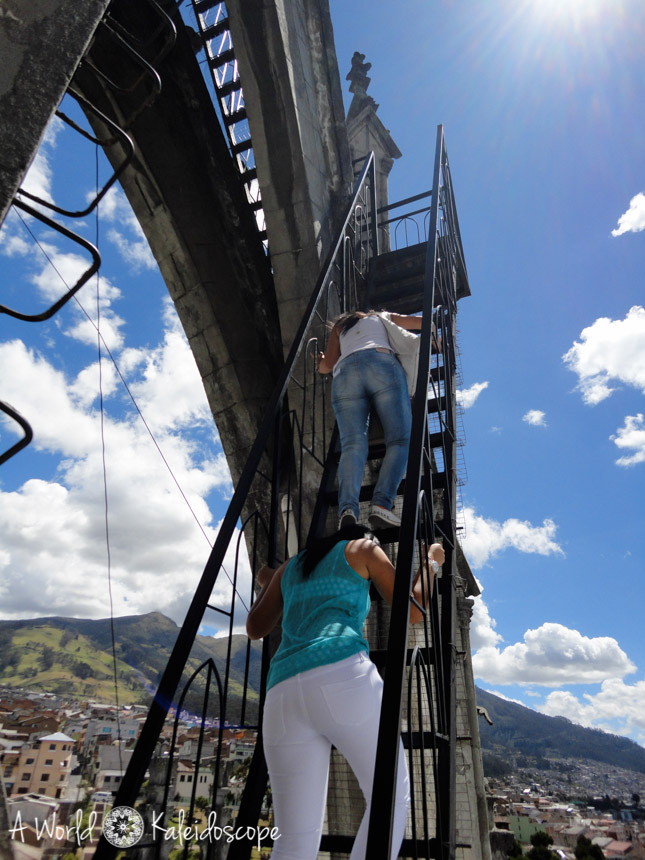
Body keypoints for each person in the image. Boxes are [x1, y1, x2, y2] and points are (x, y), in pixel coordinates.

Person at [246, 524, 446, 860]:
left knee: (294, 838)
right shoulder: (364, 550)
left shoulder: (293, 567)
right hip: (342, 675)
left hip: (282, 691)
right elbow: (412, 609)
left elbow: (255, 627)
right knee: (389, 799)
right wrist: (432, 562)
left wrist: (275, 584)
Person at [316, 310, 425, 530]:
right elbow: (421, 322)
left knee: (352, 446)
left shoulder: (340, 327)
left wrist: (319, 361)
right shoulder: (381, 316)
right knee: (399, 440)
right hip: (380, 362)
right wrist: (436, 335)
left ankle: (347, 509)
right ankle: (381, 504)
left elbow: (326, 366)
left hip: (344, 373)